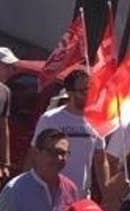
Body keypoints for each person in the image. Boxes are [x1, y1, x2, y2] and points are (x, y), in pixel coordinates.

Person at [31, 69, 107, 198]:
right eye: (83, 91)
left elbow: (100, 160)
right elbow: (34, 155)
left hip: (81, 197)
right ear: (70, 93)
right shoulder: (51, 119)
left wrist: (107, 193)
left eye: (90, 90)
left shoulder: (97, 121)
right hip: (51, 195)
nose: (88, 94)